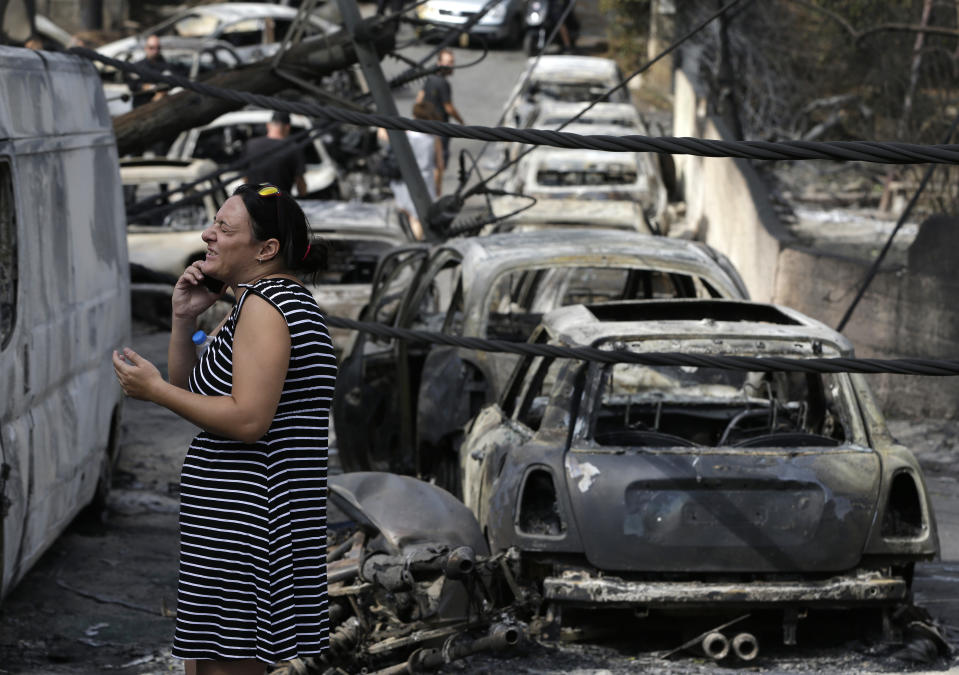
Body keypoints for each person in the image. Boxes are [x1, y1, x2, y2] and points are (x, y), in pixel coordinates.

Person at [112, 184, 335, 675]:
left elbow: (250, 420)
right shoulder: (259, 303)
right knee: (208, 665)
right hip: (234, 523)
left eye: (224, 228)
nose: (206, 235)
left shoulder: (268, 306)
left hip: (249, 524)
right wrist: (185, 319)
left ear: (266, 250)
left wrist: (152, 391)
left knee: (223, 669)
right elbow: (193, 387)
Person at [377, 101, 444, 240]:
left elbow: (382, 134)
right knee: (418, 218)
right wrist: (438, 185)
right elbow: (439, 165)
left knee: (405, 213)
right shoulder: (433, 137)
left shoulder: (404, 134)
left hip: (404, 180)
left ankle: (406, 241)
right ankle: (414, 243)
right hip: (425, 181)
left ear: (414, 115)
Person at [416, 49, 464, 169]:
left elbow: (419, 99)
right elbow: (449, 108)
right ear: (439, 63)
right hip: (440, 129)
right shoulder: (443, 83)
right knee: (439, 164)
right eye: (448, 62)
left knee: (427, 160)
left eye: (452, 62)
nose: (451, 65)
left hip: (426, 126)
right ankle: (435, 188)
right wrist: (461, 122)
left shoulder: (430, 78)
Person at [243, 111, 308, 196]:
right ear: (288, 127)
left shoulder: (250, 145)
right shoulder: (293, 148)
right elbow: (301, 186)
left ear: (268, 125)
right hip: (279, 205)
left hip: (254, 204)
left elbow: (245, 178)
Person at [129, 34, 170, 107]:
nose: (155, 51)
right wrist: (143, 86)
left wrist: (162, 91)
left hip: (161, 105)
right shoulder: (137, 66)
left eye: (158, 48)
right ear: (146, 48)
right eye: (152, 48)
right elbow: (132, 84)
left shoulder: (166, 66)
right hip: (140, 105)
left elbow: (172, 80)